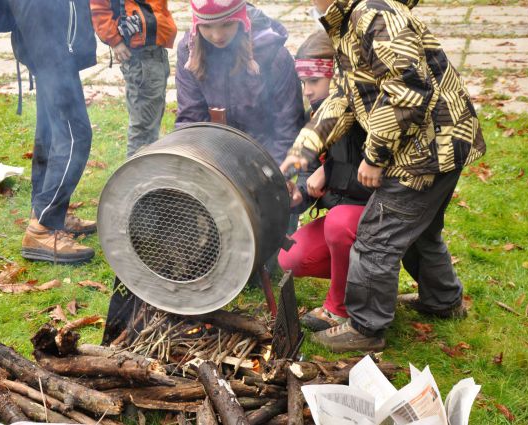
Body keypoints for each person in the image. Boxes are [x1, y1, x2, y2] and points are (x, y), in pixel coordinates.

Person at [281, 0, 486, 352]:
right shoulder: (348, 24)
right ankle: (442, 301)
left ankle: (366, 328)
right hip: (431, 146)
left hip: (428, 150)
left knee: (376, 237)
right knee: (423, 232)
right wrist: (300, 154)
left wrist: (375, 155)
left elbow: (409, 92)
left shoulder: (376, 15)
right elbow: (343, 99)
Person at [278, 30, 371, 331]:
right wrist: (301, 193)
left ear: (338, 76)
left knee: (338, 222)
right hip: (346, 215)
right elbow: (310, 171)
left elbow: (376, 180)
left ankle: (339, 308)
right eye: (304, 82)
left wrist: (329, 173)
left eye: (314, 82)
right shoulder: (318, 114)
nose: (306, 90)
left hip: (378, 216)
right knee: (291, 256)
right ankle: (364, 285)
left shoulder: (366, 116)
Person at [3, 0, 98, 264]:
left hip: (46, 39)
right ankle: (43, 227)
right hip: (48, 41)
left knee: (52, 130)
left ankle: (47, 212)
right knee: (75, 134)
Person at [175, 0, 304, 164]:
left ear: (241, 18)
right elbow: (191, 121)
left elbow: (288, 125)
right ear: (195, 24)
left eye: (226, 24)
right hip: (215, 161)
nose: (217, 35)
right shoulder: (189, 53)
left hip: (265, 159)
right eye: (207, 26)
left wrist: (272, 175)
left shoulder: (273, 54)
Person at [90, 0, 177, 158]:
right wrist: (114, 40)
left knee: (151, 122)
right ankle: (136, 179)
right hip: (141, 57)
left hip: (155, 50)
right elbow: (98, 8)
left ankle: (146, 173)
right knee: (143, 131)